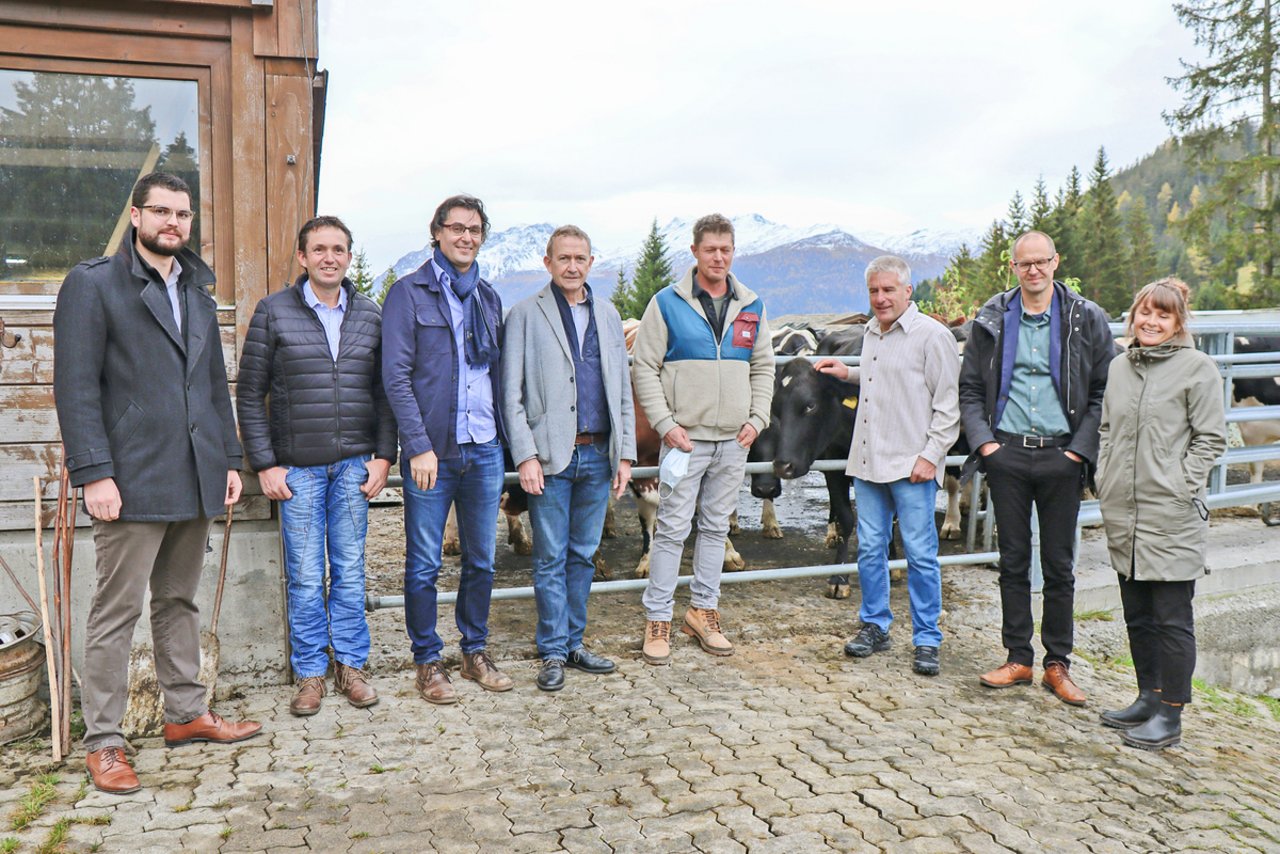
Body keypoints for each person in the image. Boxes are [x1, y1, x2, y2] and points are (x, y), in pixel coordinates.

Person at [54, 172, 260, 794]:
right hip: (128, 478)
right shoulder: (93, 285)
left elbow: (212, 387)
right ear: (137, 215)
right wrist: (94, 472)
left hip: (194, 472)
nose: (174, 223)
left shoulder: (197, 291)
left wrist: (228, 460)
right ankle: (106, 743)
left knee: (178, 603)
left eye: (184, 214)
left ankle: (186, 713)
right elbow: (76, 387)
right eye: (162, 212)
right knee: (116, 612)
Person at [237, 216, 397, 716]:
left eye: (340, 249)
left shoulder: (370, 314)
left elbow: (384, 393)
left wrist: (384, 458)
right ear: (302, 257)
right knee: (306, 577)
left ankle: (351, 665)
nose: (330, 257)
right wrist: (265, 464)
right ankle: (309, 673)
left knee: (349, 572)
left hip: (353, 468)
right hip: (298, 471)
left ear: (349, 257)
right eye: (319, 249)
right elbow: (248, 393)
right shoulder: (273, 312)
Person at [958, 230, 1115, 705]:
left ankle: (1057, 664)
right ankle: (1018, 657)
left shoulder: (1084, 318)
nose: (1033, 270)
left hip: (1061, 455)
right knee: (1012, 561)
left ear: (1055, 263)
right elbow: (969, 389)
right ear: (1013, 267)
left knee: (1060, 565)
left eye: (1041, 262)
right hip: (1006, 452)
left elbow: (1103, 391)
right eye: (1024, 263)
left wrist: (1078, 451)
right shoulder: (992, 319)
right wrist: (985, 444)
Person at [382, 194, 513, 703]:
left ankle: (474, 650)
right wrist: (416, 445)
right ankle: (427, 660)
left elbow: (496, 376)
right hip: (431, 453)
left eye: (474, 229)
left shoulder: (488, 297)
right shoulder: (408, 294)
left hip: (483, 448)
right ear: (436, 232)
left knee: (482, 559)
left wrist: (505, 444)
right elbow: (395, 375)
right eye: (456, 228)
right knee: (423, 563)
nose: (465, 237)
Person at [631, 213, 774, 664]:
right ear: (694, 252)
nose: (718, 257)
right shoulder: (667, 303)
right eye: (710, 249)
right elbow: (645, 367)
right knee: (671, 529)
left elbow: (764, 366)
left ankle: (703, 612)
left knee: (715, 528)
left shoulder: (751, 305)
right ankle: (658, 619)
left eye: (726, 249)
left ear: (734, 252)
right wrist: (666, 424)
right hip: (685, 440)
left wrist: (758, 418)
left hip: (734, 440)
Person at [501, 225, 636, 691]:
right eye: (564, 258)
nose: (572, 266)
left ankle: (575, 643)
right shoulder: (523, 315)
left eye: (580, 258)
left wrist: (626, 457)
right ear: (548, 262)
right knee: (550, 556)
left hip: (599, 453)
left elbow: (622, 390)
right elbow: (510, 396)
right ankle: (553, 649)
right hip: (551, 456)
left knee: (583, 555)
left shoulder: (609, 314)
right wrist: (525, 456)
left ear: (591, 262)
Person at [1096, 278, 1225, 750]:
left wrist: (1179, 484)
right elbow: (1107, 429)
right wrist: (1105, 477)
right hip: (1124, 511)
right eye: (1144, 312)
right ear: (1133, 316)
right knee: (1138, 615)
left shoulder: (1198, 368)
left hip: (1171, 513)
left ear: (1178, 322)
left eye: (1163, 315)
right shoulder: (1118, 368)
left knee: (1172, 618)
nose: (1150, 322)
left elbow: (1211, 438)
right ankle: (1147, 697)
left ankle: (1171, 714)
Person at [816, 255, 959, 676]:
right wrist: (848, 373)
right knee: (870, 549)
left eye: (888, 290)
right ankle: (875, 625)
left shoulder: (933, 337)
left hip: (912, 465)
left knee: (920, 554)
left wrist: (930, 457)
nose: (880, 298)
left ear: (907, 291)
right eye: (874, 291)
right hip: (869, 459)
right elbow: (886, 380)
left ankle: (927, 638)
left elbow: (948, 407)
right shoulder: (871, 333)